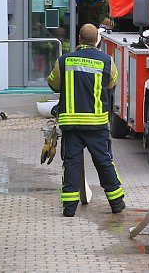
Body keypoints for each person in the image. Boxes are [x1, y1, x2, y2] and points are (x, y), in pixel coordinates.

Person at [46, 23, 124, 217]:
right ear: (97, 40)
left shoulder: (64, 60)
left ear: (79, 39)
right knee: (104, 162)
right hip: (97, 124)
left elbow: (53, 84)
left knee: (71, 164)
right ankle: (116, 203)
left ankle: (69, 209)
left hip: (71, 125)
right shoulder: (107, 61)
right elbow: (112, 82)